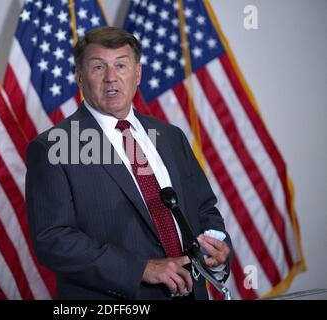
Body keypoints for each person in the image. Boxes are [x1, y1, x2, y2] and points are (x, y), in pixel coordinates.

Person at [25, 26, 232, 300]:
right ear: (79, 77)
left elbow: (204, 208)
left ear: (137, 74)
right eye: (98, 67)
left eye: (121, 65)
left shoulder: (170, 136)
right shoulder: (53, 147)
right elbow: (53, 240)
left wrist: (216, 250)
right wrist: (139, 269)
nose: (111, 78)